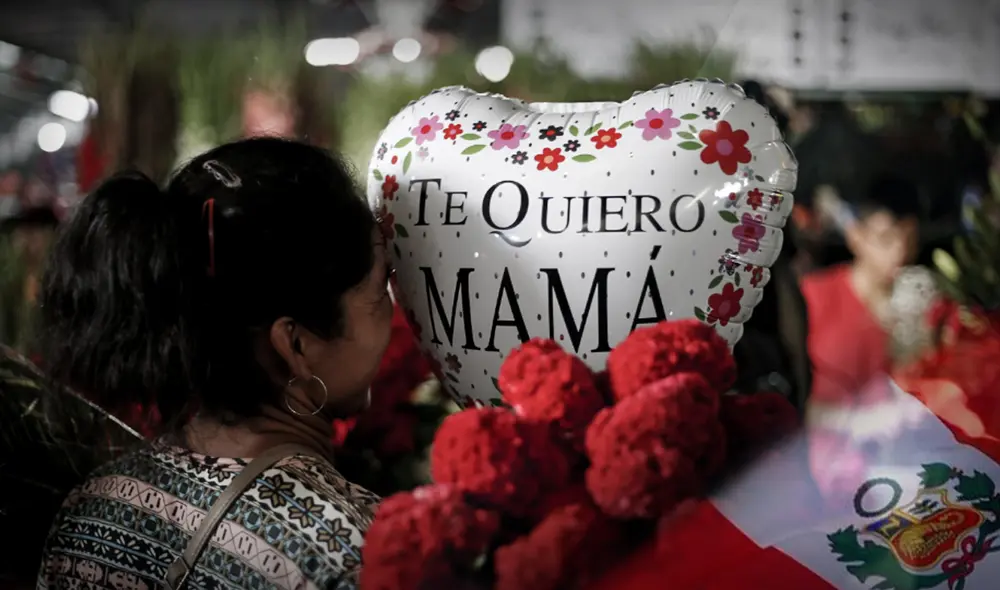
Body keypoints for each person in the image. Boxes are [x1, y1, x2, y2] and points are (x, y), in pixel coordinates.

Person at [36, 137, 392, 589]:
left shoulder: (87, 511)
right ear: (296, 345)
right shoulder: (357, 553)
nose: (394, 310)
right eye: (381, 287)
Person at [801, 173, 921, 405]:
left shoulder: (924, 305)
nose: (900, 252)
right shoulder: (813, 296)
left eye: (909, 240)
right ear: (856, 235)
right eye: (886, 239)